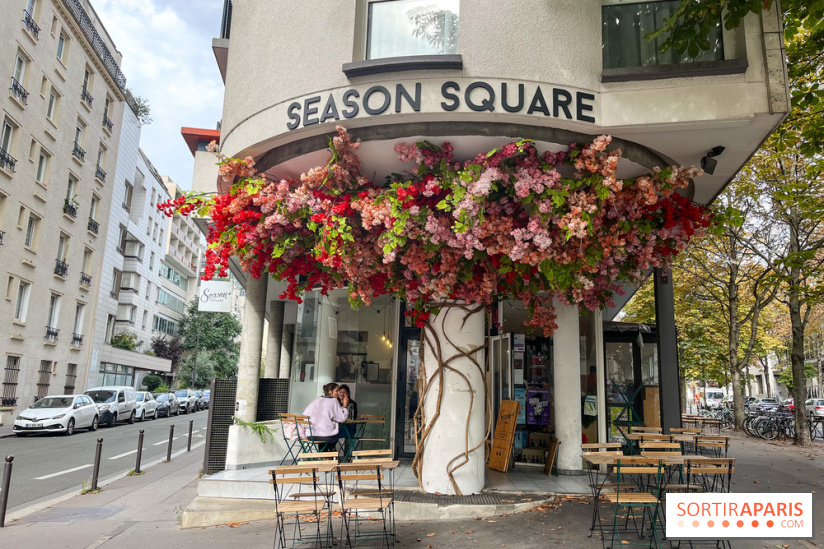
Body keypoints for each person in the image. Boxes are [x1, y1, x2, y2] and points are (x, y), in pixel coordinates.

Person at [302, 382, 349, 452]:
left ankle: (322, 454)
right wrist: (345, 405)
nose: (338, 393)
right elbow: (342, 418)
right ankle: (328, 453)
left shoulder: (317, 399)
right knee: (335, 434)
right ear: (330, 392)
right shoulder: (334, 401)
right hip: (325, 436)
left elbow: (304, 414)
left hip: (310, 435)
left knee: (327, 435)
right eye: (337, 391)